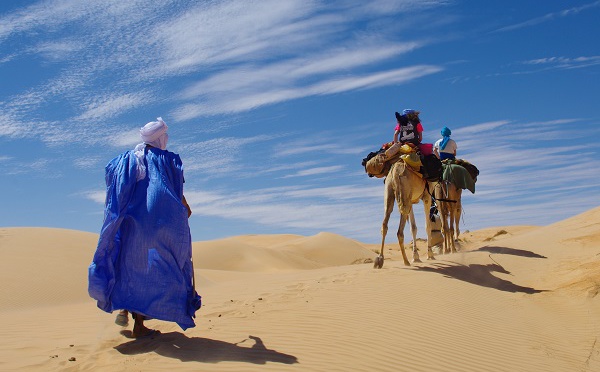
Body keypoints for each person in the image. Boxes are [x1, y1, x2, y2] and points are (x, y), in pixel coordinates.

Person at [88, 117, 201, 338]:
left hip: (129, 224)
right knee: (158, 268)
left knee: (127, 265)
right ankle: (139, 323)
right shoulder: (167, 161)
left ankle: (126, 311)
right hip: (157, 226)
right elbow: (173, 189)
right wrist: (184, 208)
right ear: (160, 138)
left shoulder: (126, 160)